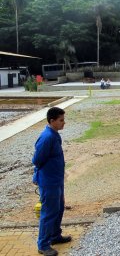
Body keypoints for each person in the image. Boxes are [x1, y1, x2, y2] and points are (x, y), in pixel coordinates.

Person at [32, 107, 71, 256]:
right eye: (61, 120)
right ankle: (43, 244)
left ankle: (55, 236)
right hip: (48, 182)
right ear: (52, 121)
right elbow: (37, 160)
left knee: (59, 209)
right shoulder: (47, 137)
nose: (63, 123)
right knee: (48, 213)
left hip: (56, 180)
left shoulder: (55, 135)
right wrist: (38, 177)